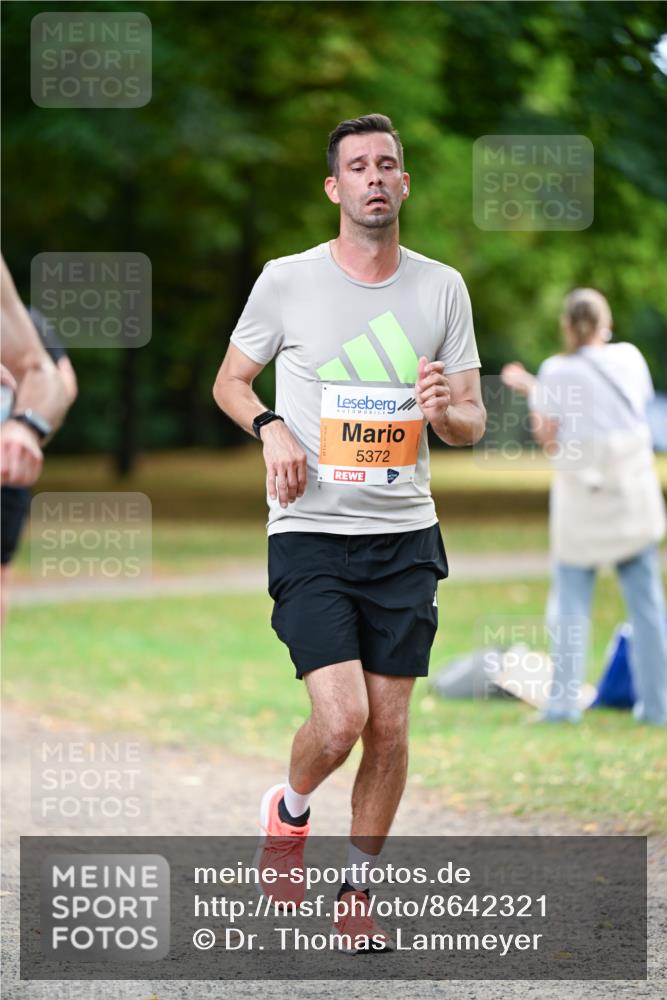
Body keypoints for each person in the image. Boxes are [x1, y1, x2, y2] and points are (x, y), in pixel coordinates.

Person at [213, 113, 485, 950]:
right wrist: (269, 426)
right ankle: (289, 813)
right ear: (334, 188)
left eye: (387, 165)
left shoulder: (442, 288)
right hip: (308, 531)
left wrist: (450, 412)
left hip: (403, 535)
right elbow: (230, 379)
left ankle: (356, 890)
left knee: (392, 729)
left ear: (404, 184)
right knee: (340, 721)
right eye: (358, 166)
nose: (374, 177)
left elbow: (471, 418)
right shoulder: (286, 280)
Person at [501, 287, 667, 725]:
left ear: (567, 325)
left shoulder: (555, 371)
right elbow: (634, 410)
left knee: (571, 606)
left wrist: (533, 390)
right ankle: (657, 706)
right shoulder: (630, 358)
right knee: (647, 606)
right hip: (630, 496)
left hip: (583, 501)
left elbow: (548, 435)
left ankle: (563, 705)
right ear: (604, 320)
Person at [1, 307, 78, 623]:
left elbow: (64, 384)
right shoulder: (27, 321)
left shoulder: (27, 323)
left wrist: (24, 422)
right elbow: (65, 384)